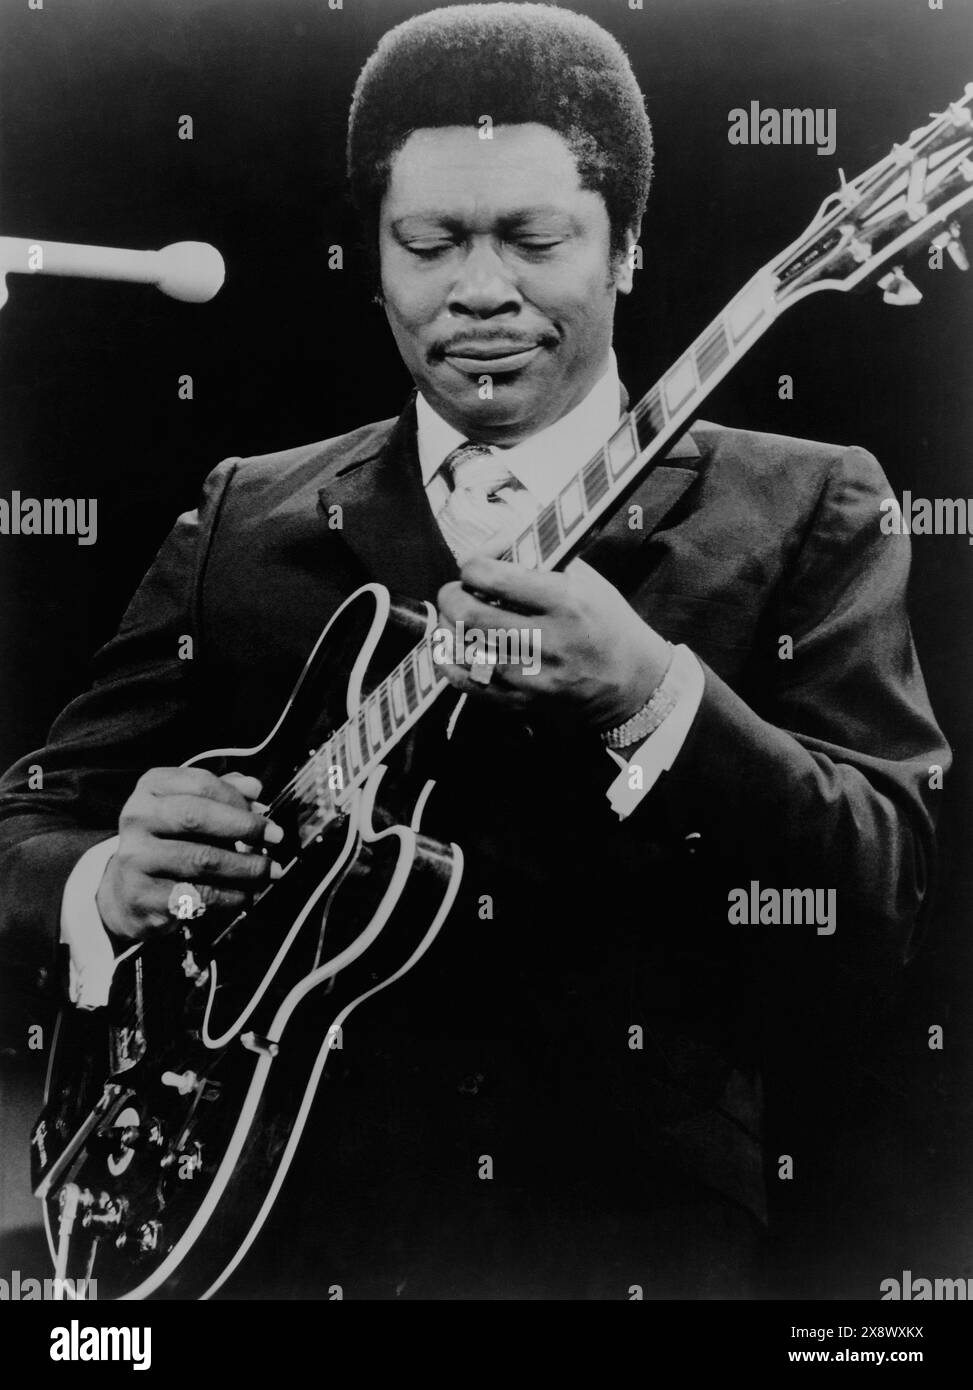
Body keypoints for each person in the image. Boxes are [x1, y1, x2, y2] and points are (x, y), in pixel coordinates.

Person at [0, 3, 950, 1299]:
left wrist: (652, 694)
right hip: (246, 1230)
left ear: (625, 251)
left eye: (533, 238)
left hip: (618, 1249)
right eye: (429, 242)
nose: (479, 290)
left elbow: (882, 891)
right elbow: (31, 817)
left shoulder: (809, 503)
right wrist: (107, 873)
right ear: (378, 259)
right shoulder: (246, 511)